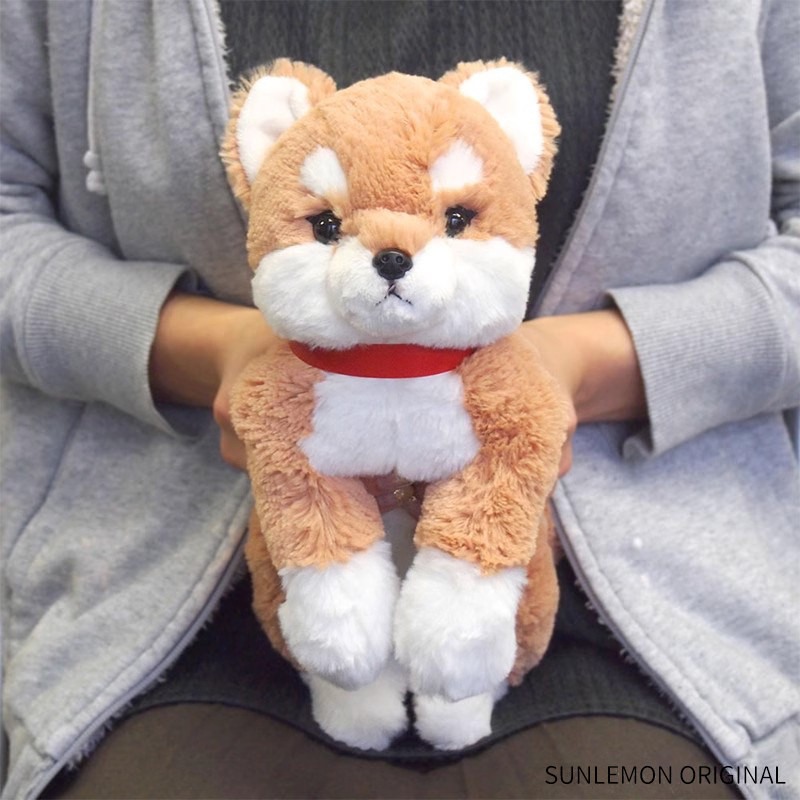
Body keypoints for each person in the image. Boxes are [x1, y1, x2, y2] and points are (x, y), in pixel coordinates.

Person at [2, 1, 798, 798]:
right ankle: (339, 634)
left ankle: (465, 627)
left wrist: (579, 368)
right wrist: (216, 354)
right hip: (170, 597)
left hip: (656, 604)